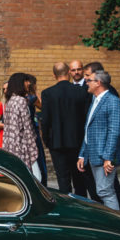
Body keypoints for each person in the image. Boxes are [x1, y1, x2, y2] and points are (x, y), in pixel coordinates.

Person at [77, 69, 120, 210]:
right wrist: (82, 154)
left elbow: (114, 132)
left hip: (105, 156)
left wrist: (108, 158)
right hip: (94, 153)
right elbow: (89, 130)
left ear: (98, 83)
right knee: (102, 191)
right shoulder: (96, 100)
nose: (86, 83)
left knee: (105, 191)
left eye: (89, 80)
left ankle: (115, 225)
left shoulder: (113, 102)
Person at [40, 62, 91, 196]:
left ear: (53, 75)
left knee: (62, 178)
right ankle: (81, 205)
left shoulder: (47, 93)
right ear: (69, 72)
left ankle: (67, 205)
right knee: (79, 178)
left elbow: (45, 120)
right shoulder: (82, 92)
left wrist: (46, 139)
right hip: (78, 141)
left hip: (56, 142)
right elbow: (87, 118)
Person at [1, 73, 40, 180]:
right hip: (22, 146)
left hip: (11, 146)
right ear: (20, 83)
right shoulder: (21, 101)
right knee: (35, 178)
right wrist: (33, 147)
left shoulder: (10, 101)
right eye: (26, 81)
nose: (28, 84)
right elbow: (27, 128)